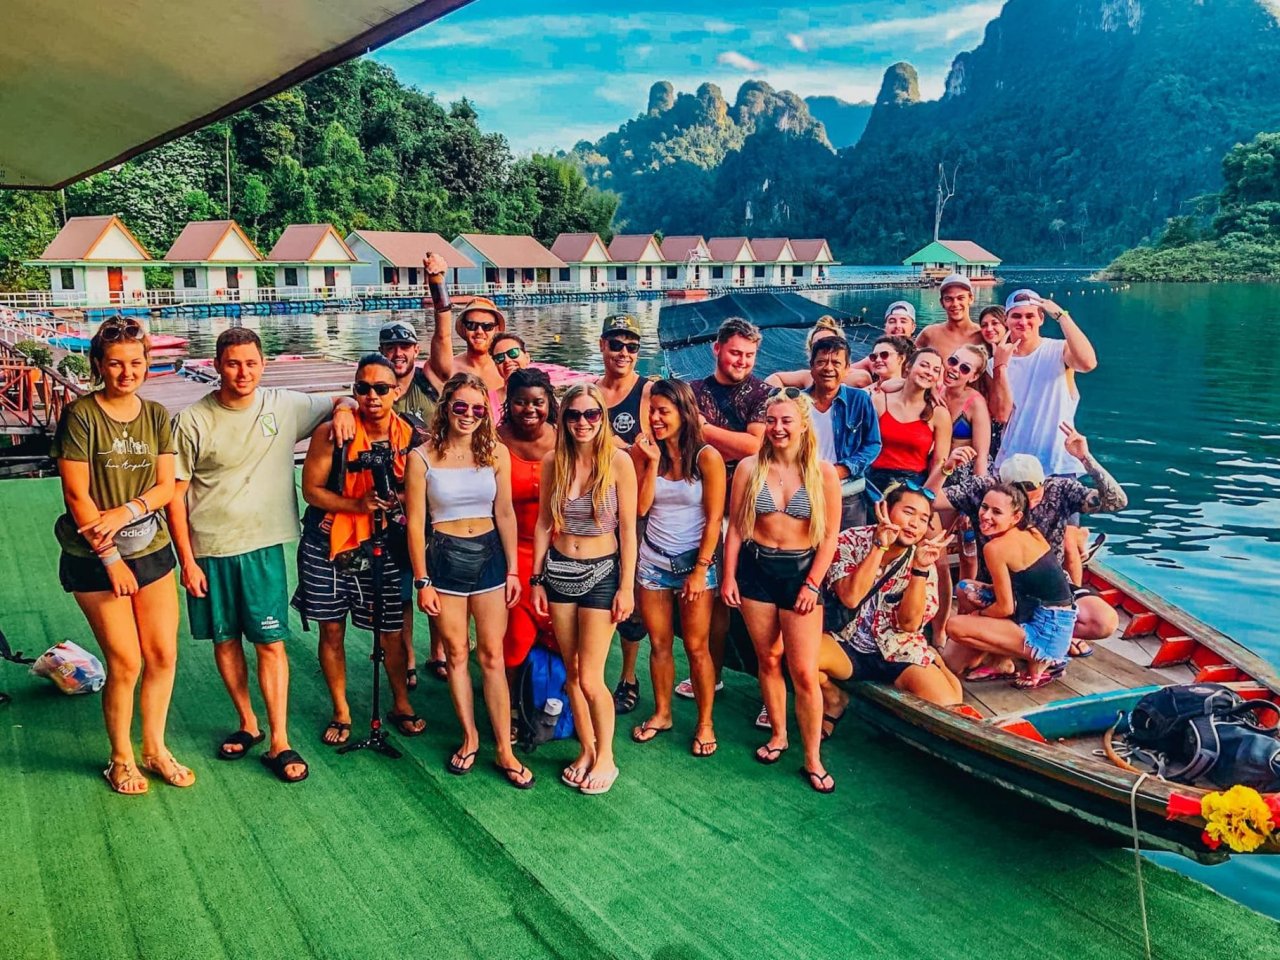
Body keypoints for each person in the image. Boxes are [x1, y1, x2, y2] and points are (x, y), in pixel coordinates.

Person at [168, 327, 359, 784]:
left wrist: (348, 408)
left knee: (271, 642)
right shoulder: (193, 420)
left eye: (251, 363)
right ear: (217, 365)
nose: (242, 372)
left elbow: (339, 399)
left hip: (263, 549)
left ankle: (279, 738)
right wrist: (187, 561)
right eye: (233, 363)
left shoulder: (283, 405)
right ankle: (247, 722)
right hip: (210, 548)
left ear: (263, 364)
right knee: (225, 639)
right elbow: (174, 496)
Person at [52, 316, 191, 795]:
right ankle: (120, 758)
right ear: (99, 365)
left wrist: (129, 510)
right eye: (116, 363)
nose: (126, 372)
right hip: (94, 556)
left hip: (149, 546)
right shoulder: (81, 415)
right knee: (126, 661)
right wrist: (109, 556)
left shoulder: (155, 415)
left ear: (148, 363)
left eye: (136, 362)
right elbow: (77, 495)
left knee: (162, 655)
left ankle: (154, 748)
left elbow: (166, 486)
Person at [404, 374, 532, 787]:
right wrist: (422, 580)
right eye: (461, 406)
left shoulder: (496, 453)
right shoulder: (421, 458)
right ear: (445, 408)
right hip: (444, 558)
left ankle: (504, 749)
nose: (470, 415)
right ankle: (470, 737)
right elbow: (416, 524)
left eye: (479, 409)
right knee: (457, 654)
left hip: (491, 557)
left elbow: (506, 514)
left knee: (491, 656)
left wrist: (513, 568)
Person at [295, 355, 424, 744]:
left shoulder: (413, 437)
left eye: (381, 388)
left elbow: (427, 488)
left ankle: (401, 701)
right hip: (328, 543)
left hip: (383, 544)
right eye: (362, 389)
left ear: (397, 392)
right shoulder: (332, 434)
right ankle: (341, 710)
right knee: (331, 629)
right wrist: (357, 505)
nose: (372, 396)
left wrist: (397, 496)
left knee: (390, 632)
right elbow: (311, 490)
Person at [722, 387, 842, 793]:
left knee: (805, 671)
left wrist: (812, 584)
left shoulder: (822, 473)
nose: (777, 428)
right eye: (772, 420)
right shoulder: (748, 468)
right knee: (768, 659)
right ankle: (778, 733)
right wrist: (729, 575)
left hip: (800, 573)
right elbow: (737, 527)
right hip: (757, 570)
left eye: (786, 420)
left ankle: (812, 757)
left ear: (803, 423)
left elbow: (829, 538)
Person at [926, 427, 1128, 656]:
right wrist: (946, 468)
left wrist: (1085, 458)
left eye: (1035, 494)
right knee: (959, 644)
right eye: (1021, 497)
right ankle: (1005, 648)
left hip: (1050, 591)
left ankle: (1049, 643)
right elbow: (929, 501)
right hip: (1000, 588)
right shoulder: (984, 490)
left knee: (1105, 621)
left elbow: (1117, 502)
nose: (1030, 503)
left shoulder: (1060, 489)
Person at [531, 384, 638, 795]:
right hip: (559, 571)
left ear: (602, 418)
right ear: (563, 419)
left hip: (600, 573)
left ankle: (607, 756)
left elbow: (628, 530)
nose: (582, 423)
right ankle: (588, 748)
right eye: (574, 415)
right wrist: (537, 578)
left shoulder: (619, 463)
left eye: (591, 414)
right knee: (572, 673)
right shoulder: (552, 461)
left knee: (591, 676)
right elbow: (544, 522)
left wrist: (626, 586)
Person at [630, 380, 726, 756]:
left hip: (694, 561)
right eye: (652, 410)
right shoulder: (646, 453)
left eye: (663, 411)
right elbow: (640, 509)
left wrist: (701, 569)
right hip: (653, 559)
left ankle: (705, 722)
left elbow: (714, 519)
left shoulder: (706, 457)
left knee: (698, 647)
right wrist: (652, 461)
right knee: (659, 644)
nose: (655, 418)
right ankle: (663, 712)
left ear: (683, 414)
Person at [680, 317, 771, 703]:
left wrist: (702, 429)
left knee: (753, 599)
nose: (742, 361)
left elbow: (755, 447)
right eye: (736, 352)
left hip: (744, 510)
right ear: (716, 348)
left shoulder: (763, 394)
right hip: (697, 507)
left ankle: (767, 688)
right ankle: (711, 671)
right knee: (710, 597)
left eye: (750, 355)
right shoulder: (693, 390)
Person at [818, 486, 960, 729]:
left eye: (923, 519)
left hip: (898, 650)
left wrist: (920, 569)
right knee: (797, 653)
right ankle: (833, 698)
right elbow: (851, 598)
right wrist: (879, 547)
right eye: (908, 512)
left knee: (949, 706)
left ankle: (938, 664)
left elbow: (910, 624)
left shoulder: (923, 558)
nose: (914, 524)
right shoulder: (850, 540)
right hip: (847, 643)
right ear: (885, 509)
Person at [991, 288, 1099, 584]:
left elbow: (1089, 363)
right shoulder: (999, 359)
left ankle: (1072, 600)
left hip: (1058, 462)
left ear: (1039, 318)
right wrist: (999, 366)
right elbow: (1000, 414)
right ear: (1007, 320)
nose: (1023, 322)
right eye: (1016, 316)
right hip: (1014, 466)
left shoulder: (1058, 350)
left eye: (1029, 316)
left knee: (1068, 543)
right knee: (1015, 539)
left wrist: (1061, 314)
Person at [945, 484, 1078, 689]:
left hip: (1046, 632)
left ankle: (1044, 660)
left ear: (1015, 517)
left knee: (955, 626)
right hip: (1050, 617)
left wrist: (976, 617)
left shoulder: (995, 548)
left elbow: (1006, 608)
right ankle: (997, 659)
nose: (986, 515)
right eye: (984, 507)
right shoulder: (1031, 531)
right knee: (965, 588)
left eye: (996, 512)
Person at [593, 314, 653, 716]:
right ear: (602, 346)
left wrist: (614, 444)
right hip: (598, 501)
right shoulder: (589, 393)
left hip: (639, 502)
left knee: (631, 589)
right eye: (617, 345)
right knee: (596, 585)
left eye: (632, 347)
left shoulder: (646, 391)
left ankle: (628, 676)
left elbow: (650, 448)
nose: (624, 354)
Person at [495, 367, 558, 676]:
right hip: (512, 551)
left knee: (562, 633)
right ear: (509, 403)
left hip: (559, 551)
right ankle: (510, 709)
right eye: (520, 402)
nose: (530, 410)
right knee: (514, 640)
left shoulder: (567, 437)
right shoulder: (494, 441)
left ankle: (558, 706)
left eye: (538, 402)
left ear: (549, 403)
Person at [805, 335, 881, 528]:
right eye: (821, 362)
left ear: (847, 368)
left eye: (836, 362)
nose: (828, 368)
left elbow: (873, 444)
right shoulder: (797, 403)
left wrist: (843, 469)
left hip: (847, 492)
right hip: (804, 491)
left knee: (848, 552)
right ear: (811, 367)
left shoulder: (860, 400)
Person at [867, 348, 951, 495]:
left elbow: (939, 463)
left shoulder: (939, 414)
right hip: (873, 482)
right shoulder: (880, 402)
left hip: (912, 486)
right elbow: (863, 445)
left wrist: (927, 496)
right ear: (908, 366)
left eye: (936, 370)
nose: (929, 372)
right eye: (924, 365)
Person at [765, 316, 872, 390]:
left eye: (829, 342)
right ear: (811, 351)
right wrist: (782, 399)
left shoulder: (858, 377)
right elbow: (774, 378)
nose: (823, 348)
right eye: (817, 345)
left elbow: (862, 380)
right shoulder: (807, 376)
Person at [940, 343, 992, 481]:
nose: (955, 368)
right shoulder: (935, 390)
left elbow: (981, 455)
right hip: (935, 467)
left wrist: (977, 488)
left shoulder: (976, 403)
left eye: (965, 368)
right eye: (953, 361)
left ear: (973, 377)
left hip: (962, 474)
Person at [914, 274, 984, 358]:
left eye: (961, 298)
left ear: (971, 299)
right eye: (948, 299)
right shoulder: (930, 334)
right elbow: (909, 364)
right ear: (942, 302)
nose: (955, 304)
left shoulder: (983, 335)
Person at [452, 296, 506, 390]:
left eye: (487, 326)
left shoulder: (505, 367)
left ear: (496, 330)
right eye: (472, 325)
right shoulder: (450, 367)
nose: (479, 332)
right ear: (464, 328)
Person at [489, 331, 531, 415]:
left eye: (513, 353)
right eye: (499, 358)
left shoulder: (544, 395)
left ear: (527, 357)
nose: (507, 360)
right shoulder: (487, 401)